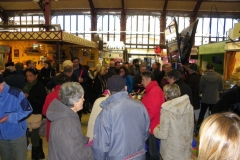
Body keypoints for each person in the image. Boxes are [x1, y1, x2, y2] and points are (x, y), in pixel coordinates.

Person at [93, 75, 150, 160]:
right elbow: (145, 132)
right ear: (125, 88)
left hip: (117, 157)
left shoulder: (107, 112)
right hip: (139, 155)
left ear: (108, 91)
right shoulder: (140, 106)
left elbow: (101, 145)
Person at [47, 82, 94, 160]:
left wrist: (87, 140)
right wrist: (94, 149)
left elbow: (71, 138)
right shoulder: (67, 122)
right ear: (74, 102)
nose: (84, 100)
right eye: (82, 98)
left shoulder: (62, 114)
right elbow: (76, 156)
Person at [153, 84, 194, 160]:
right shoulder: (189, 106)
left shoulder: (166, 109)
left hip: (171, 151)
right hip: (185, 148)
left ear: (166, 95)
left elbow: (163, 134)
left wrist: (155, 129)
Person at [0, 74, 33, 160]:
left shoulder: (16, 93)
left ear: (1, 85)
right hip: (1, 137)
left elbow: (28, 110)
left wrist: (9, 118)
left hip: (17, 134)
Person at [23, 68, 47, 160]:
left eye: (31, 76)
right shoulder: (26, 85)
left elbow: (41, 102)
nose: (29, 78)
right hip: (26, 114)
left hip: (36, 113)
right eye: (27, 76)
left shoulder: (39, 86)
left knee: (34, 137)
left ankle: (35, 157)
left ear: (36, 76)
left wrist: (29, 97)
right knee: (31, 135)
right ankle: (40, 153)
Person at [141, 71, 165, 160]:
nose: (142, 82)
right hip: (150, 124)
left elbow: (153, 111)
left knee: (153, 152)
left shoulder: (154, 91)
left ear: (149, 79)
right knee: (150, 150)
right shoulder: (151, 90)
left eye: (143, 80)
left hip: (152, 126)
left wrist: (143, 121)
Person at [42, 73, 71, 142]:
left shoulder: (50, 96)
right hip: (66, 126)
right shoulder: (70, 95)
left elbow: (44, 112)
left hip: (52, 127)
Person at [196, 63, 223, 133]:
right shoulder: (219, 76)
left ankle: (198, 127)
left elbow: (201, 88)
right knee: (213, 114)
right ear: (213, 68)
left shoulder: (203, 77)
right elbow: (221, 88)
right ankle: (214, 128)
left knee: (202, 113)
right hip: (214, 98)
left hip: (205, 98)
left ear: (207, 69)